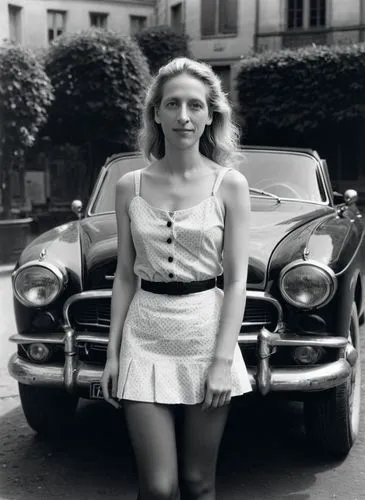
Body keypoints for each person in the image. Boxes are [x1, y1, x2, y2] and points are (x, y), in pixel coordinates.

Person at [101, 57, 252, 500]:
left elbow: (238, 280)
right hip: (143, 339)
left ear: (210, 115)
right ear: (156, 113)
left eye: (195, 105)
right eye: (172, 104)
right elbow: (125, 275)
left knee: (198, 483)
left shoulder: (230, 185)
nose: (183, 116)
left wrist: (223, 361)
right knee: (159, 487)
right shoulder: (130, 185)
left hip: (207, 341)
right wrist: (112, 354)